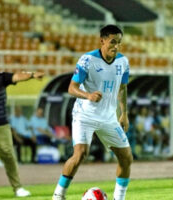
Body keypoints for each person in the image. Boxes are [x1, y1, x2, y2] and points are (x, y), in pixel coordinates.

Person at [52, 25, 132, 200]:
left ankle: (119, 198)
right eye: (112, 42)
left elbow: (123, 88)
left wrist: (124, 113)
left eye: (119, 43)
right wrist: (87, 95)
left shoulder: (123, 62)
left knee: (126, 158)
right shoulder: (87, 60)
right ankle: (58, 195)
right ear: (102, 40)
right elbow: (71, 88)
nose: (116, 46)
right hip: (84, 115)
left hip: (109, 117)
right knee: (80, 154)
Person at [0, 54, 44, 197]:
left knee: (9, 157)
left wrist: (32, 75)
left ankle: (18, 188)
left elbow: (17, 76)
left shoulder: (0, 78)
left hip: (1, 126)